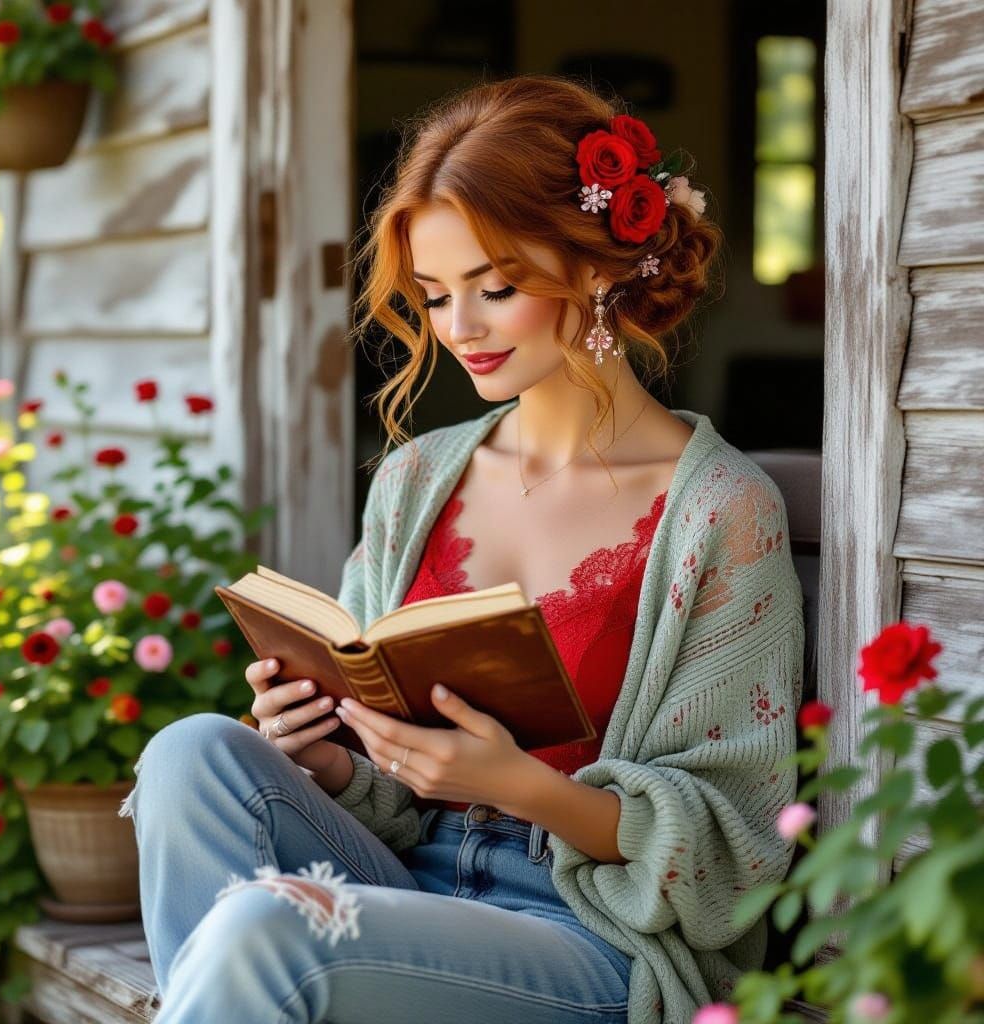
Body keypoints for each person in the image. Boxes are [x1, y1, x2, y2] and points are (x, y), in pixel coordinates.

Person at [120, 74, 806, 1024]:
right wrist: (325, 758)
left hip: (586, 931)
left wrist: (521, 787)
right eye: (436, 296)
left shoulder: (722, 510)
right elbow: (385, 787)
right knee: (192, 752)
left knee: (265, 932)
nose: (460, 331)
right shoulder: (416, 481)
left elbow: (734, 847)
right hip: (401, 879)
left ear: (598, 267)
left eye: (495, 287)